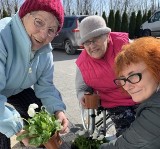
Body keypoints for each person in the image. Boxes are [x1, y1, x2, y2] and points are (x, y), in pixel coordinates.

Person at [0, 0, 69, 148]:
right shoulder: (2, 37)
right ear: (24, 15)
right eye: (39, 22)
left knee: (42, 115)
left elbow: (46, 87)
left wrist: (58, 110)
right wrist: (17, 128)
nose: (43, 35)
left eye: (51, 30)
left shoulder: (45, 52)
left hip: (16, 88)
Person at [75, 15, 137, 137]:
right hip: (115, 103)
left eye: (96, 38)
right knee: (129, 134)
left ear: (108, 36)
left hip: (140, 95)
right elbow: (81, 89)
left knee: (151, 124)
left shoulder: (127, 47)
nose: (92, 45)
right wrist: (82, 96)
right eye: (87, 42)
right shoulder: (82, 63)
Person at [100, 36, 160, 149]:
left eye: (133, 76)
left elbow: (121, 147)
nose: (127, 86)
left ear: (156, 69)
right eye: (123, 79)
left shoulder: (156, 112)